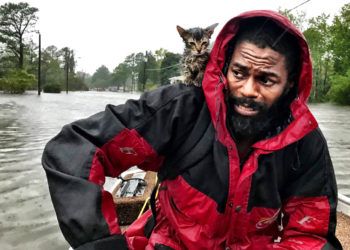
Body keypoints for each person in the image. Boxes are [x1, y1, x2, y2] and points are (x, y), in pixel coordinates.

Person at [42, 10, 342, 250]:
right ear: (224, 66)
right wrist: (101, 244)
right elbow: (76, 149)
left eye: (266, 80)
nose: (248, 90)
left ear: (289, 84)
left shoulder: (305, 141)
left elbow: (313, 234)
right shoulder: (181, 110)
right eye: (239, 73)